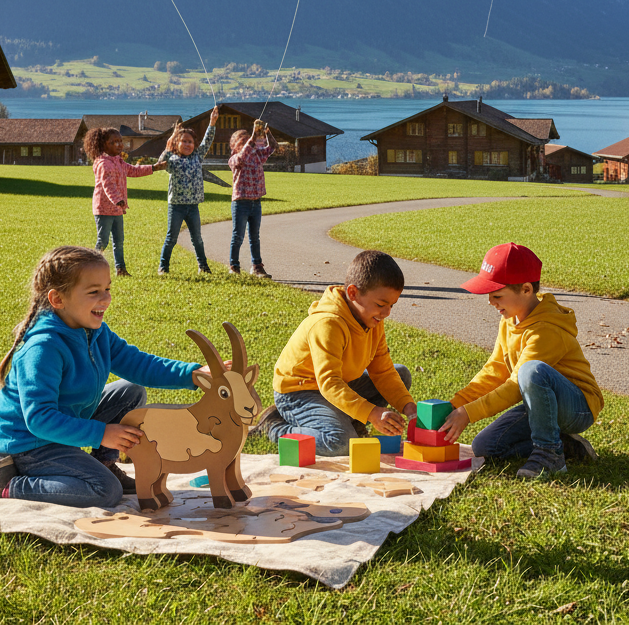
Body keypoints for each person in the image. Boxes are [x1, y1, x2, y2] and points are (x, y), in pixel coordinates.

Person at [0, 246, 209, 507]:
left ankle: (102, 463)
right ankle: (4, 486)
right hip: (29, 443)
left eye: (107, 289)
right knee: (105, 491)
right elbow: (39, 419)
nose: (105, 299)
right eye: (94, 292)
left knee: (131, 390)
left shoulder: (95, 332)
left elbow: (139, 364)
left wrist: (194, 374)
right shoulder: (43, 348)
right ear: (57, 299)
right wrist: (101, 433)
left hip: (64, 424)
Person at [439, 243, 604, 479]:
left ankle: (550, 455)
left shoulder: (546, 330)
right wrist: (456, 405)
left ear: (526, 289)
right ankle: (564, 445)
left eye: (497, 295)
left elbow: (516, 385)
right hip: (541, 405)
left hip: (578, 407)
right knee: (485, 447)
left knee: (531, 371)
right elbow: (495, 370)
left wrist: (469, 413)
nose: (490, 302)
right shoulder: (509, 321)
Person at [256, 249, 417, 456]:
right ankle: (274, 426)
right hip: (298, 392)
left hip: (339, 384)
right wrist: (371, 413)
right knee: (340, 443)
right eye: (381, 305)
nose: (386, 313)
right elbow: (329, 383)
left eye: (391, 306)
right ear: (353, 293)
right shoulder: (328, 323)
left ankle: (350, 421)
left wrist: (409, 407)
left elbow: (383, 372)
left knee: (400, 373)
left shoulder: (374, 320)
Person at [84, 127, 165, 277]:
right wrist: (118, 200)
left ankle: (120, 269)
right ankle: (91, 268)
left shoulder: (118, 161)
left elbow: (134, 170)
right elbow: (107, 185)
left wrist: (154, 168)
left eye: (120, 141)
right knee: (103, 240)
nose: (119, 145)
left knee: (119, 241)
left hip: (117, 209)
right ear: (104, 145)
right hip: (104, 209)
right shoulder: (103, 163)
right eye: (114, 142)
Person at [158, 110, 218, 275]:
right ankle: (163, 267)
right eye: (183, 141)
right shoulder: (172, 160)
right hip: (176, 206)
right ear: (177, 144)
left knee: (197, 239)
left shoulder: (197, 157)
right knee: (171, 238)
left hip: (193, 206)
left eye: (190, 142)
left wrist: (212, 123)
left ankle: (203, 266)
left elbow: (208, 140)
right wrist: (169, 144)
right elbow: (160, 162)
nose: (187, 144)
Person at [227, 119, 277, 277]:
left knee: (255, 237)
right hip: (241, 202)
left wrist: (268, 134)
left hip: (256, 202)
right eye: (240, 141)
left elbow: (273, 148)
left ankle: (257, 266)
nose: (246, 142)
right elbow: (244, 154)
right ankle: (234, 266)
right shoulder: (235, 160)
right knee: (238, 235)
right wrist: (254, 136)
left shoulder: (257, 156)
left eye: (247, 139)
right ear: (233, 146)